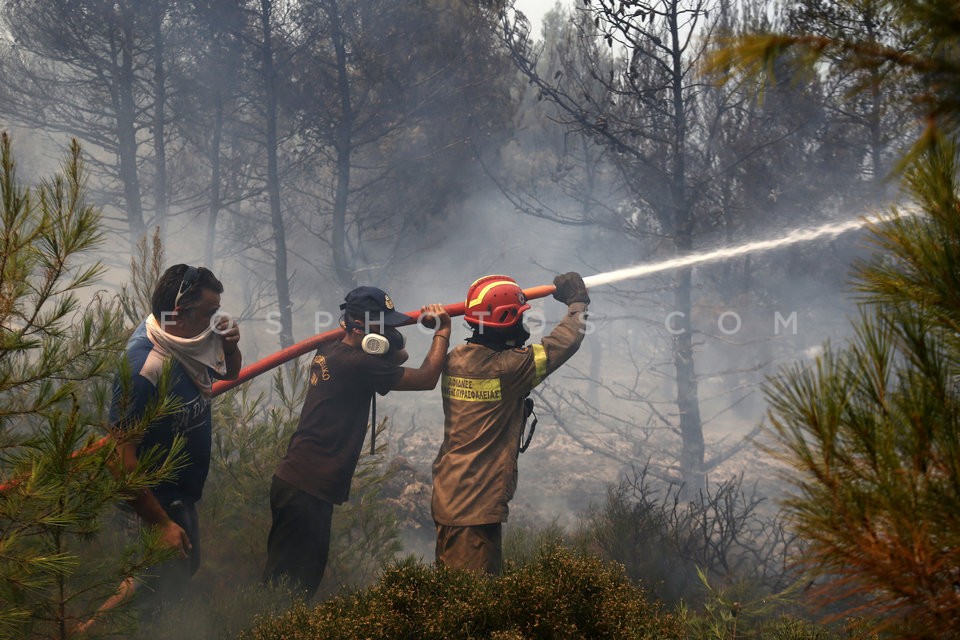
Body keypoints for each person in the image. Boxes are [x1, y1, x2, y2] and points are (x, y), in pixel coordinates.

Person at [263, 286, 451, 598]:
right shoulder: (358, 364)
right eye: (384, 325)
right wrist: (443, 332)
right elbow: (427, 377)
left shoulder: (333, 350)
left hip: (300, 483)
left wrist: (386, 341)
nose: (390, 329)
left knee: (295, 582)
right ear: (362, 328)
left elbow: (394, 354)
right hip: (306, 489)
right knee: (289, 589)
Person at [431, 272, 590, 575]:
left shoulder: (456, 360)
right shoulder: (508, 369)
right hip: (475, 508)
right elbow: (564, 342)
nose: (523, 326)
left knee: (451, 593)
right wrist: (577, 302)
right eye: (518, 318)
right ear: (506, 322)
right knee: (473, 607)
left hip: (451, 495)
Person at [110, 264, 241, 610]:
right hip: (152, 506)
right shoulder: (146, 368)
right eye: (210, 314)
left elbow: (231, 371)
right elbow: (119, 461)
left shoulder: (189, 340)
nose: (217, 322)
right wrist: (162, 525)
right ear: (179, 313)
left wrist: (229, 346)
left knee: (182, 573)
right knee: (143, 595)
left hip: (181, 496)